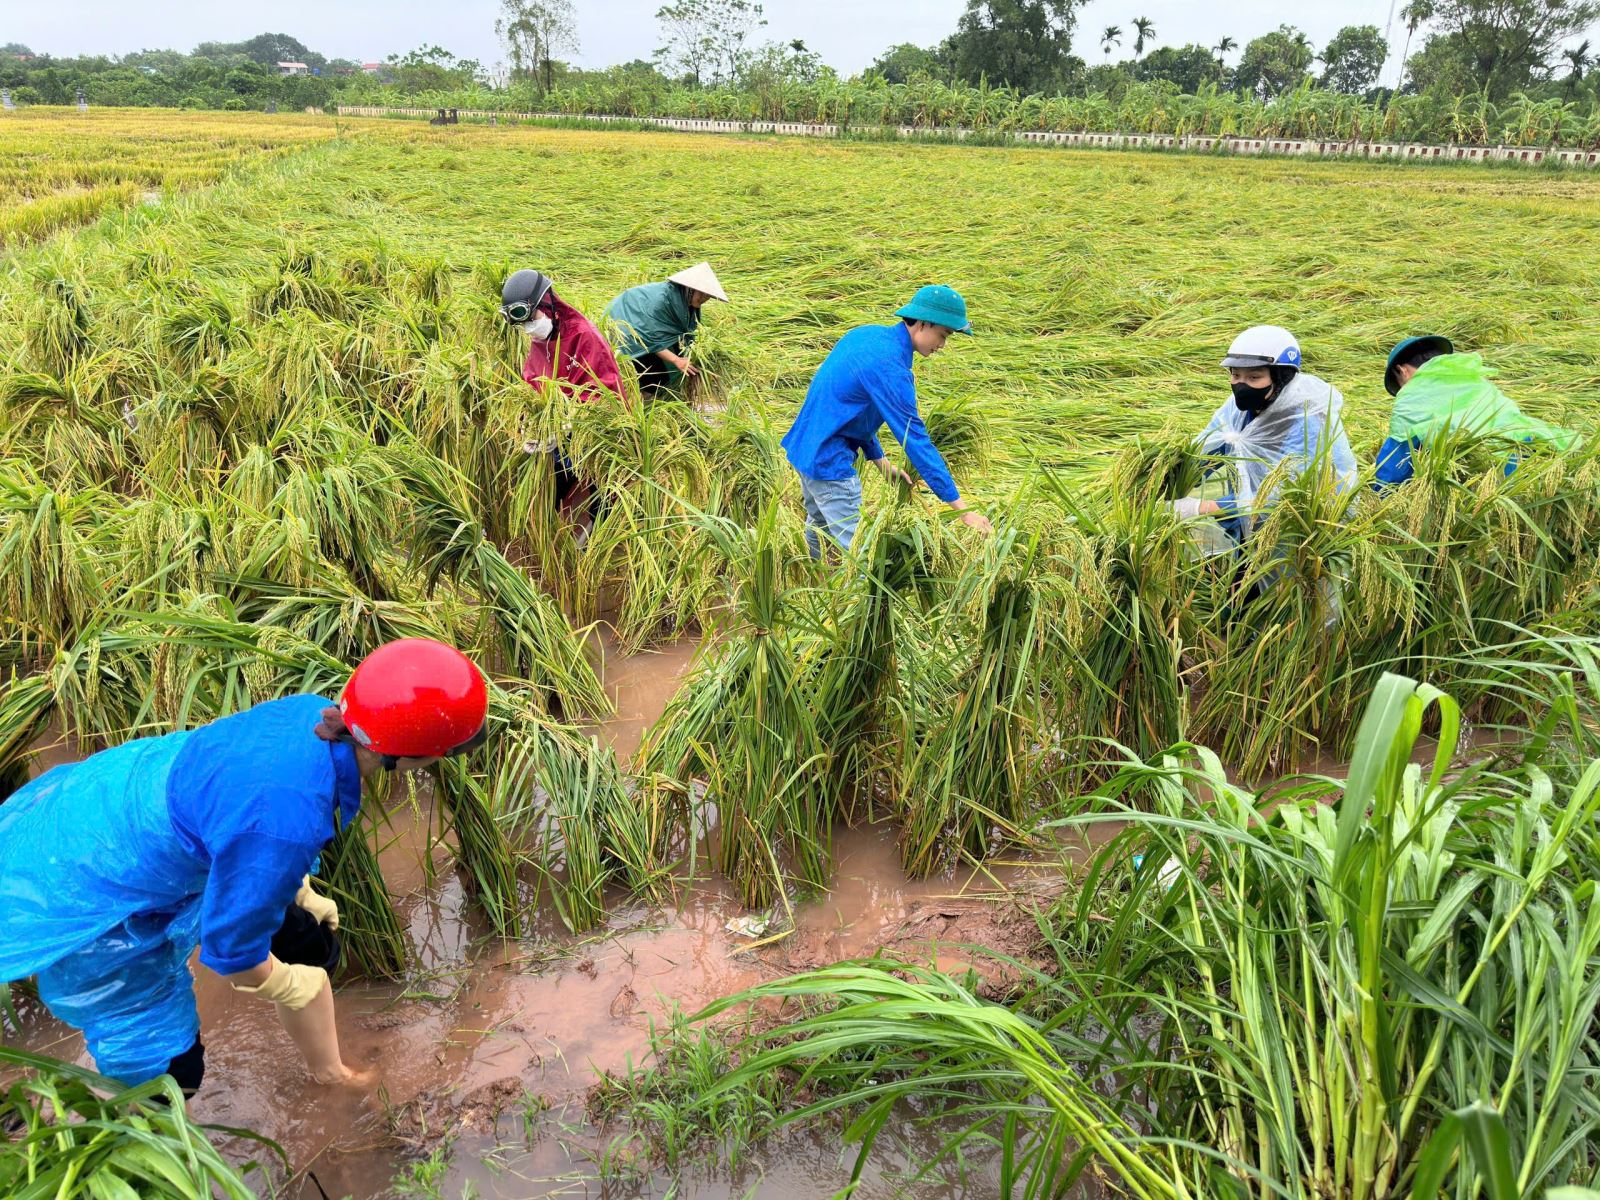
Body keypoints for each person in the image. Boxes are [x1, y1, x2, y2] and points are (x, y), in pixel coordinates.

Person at [0, 639, 488, 1095]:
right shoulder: (283, 819)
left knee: (311, 943)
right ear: (411, 755)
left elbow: (245, 808)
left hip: (123, 802)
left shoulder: (311, 713)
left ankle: (326, 1073)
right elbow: (230, 949)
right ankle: (133, 1144)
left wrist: (297, 890)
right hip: (82, 876)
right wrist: (286, 984)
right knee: (168, 1075)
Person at [781, 284, 993, 560]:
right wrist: (962, 510)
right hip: (828, 461)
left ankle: (812, 580)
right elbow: (916, 441)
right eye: (943, 335)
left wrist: (881, 462)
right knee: (863, 556)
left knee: (820, 525)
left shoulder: (866, 336)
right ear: (923, 323)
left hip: (805, 448)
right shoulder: (890, 366)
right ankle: (856, 601)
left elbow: (854, 408)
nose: (942, 345)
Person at [1174, 325, 1358, 543]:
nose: (1241, 385)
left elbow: (1285, 497)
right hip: (1245, 526)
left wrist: (1201, 507)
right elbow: (1205, 453)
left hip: (1298, 537)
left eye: (1254, 377)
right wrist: (1169, 481)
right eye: (1236, 375)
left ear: (1281, 378)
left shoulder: (1307, 421)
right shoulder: (1236, 411)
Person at [502, 269, 623, 537]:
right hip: (557, 437)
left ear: (548, 304)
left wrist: (568, 422)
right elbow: (532, 382)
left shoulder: (584, 336)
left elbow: (605, 394)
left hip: (592, 435)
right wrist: (530, 424)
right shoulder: (541, 337)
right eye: (523, 325)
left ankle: (595, 547)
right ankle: (548, 541)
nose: (529, 329)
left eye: (530, 318)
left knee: (600, 493)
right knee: (552, 489)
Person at [1373, 335, 1573, 491]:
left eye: (1400, 385)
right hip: (1524, 473)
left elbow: (1395, 461)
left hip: (1479, 489)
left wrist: (1376, 497)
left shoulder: (1412, 396)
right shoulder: (1477, 381)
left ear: (1401, 371)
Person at [604, 263, 728, 396]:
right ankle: (642, 406)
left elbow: (685, 334)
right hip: (625, 328)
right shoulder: (660, 301)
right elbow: (650, 339)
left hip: (647, 332)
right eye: (702, 293)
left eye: (708, 295)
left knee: (674, 375)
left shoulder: (689, 304)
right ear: (689, 289)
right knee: (655, 378)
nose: (704, 299)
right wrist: (676, 360)